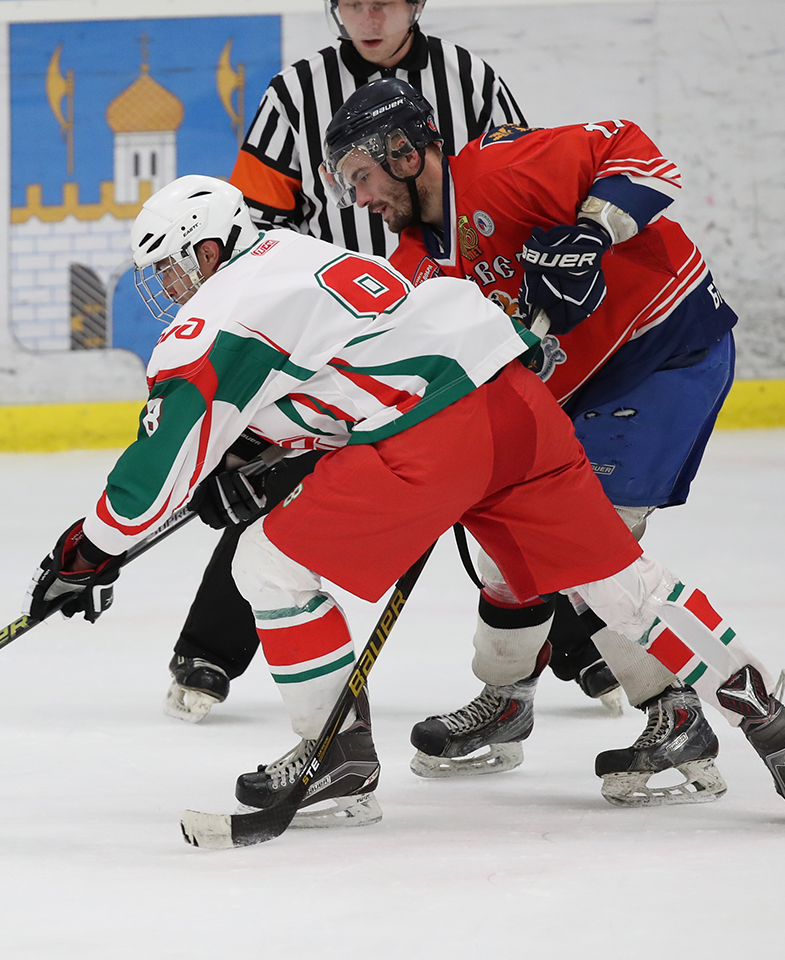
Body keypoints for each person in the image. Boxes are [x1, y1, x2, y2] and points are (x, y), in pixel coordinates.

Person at [25, 174, 785, 829]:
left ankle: (335, 758)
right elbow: (337, 373)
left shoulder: (218, 311)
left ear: (208, 248)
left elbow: (161, 458)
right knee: (620, 583)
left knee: (266, 564)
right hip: (517, 406)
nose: (170, 288)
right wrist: (260, 451)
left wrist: (88, 551)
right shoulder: (302, 254)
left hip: (432, 440)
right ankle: (768, 712)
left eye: (171, 267)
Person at [163, 0, 620, 724]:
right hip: (337, 339)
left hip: (455, 326)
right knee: (283, 480)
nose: (370, 15)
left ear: (416, 3)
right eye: (353, 1)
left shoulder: (467, 78)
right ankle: (211, 649)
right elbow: (256, 226)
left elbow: (515, 189)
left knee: (509, 484)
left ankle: (580, 642)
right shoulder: (295, 94)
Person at [320, 77, 743, 802]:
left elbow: (637, 155)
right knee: (500, 536)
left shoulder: (500, 169)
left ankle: (674, 713)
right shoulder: (415, 267)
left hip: (663, 350)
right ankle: (506, 699)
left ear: (404, 152)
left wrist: (593, 231)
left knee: (589, 541)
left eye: (361, 176)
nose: (359, 199)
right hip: (572, 392)